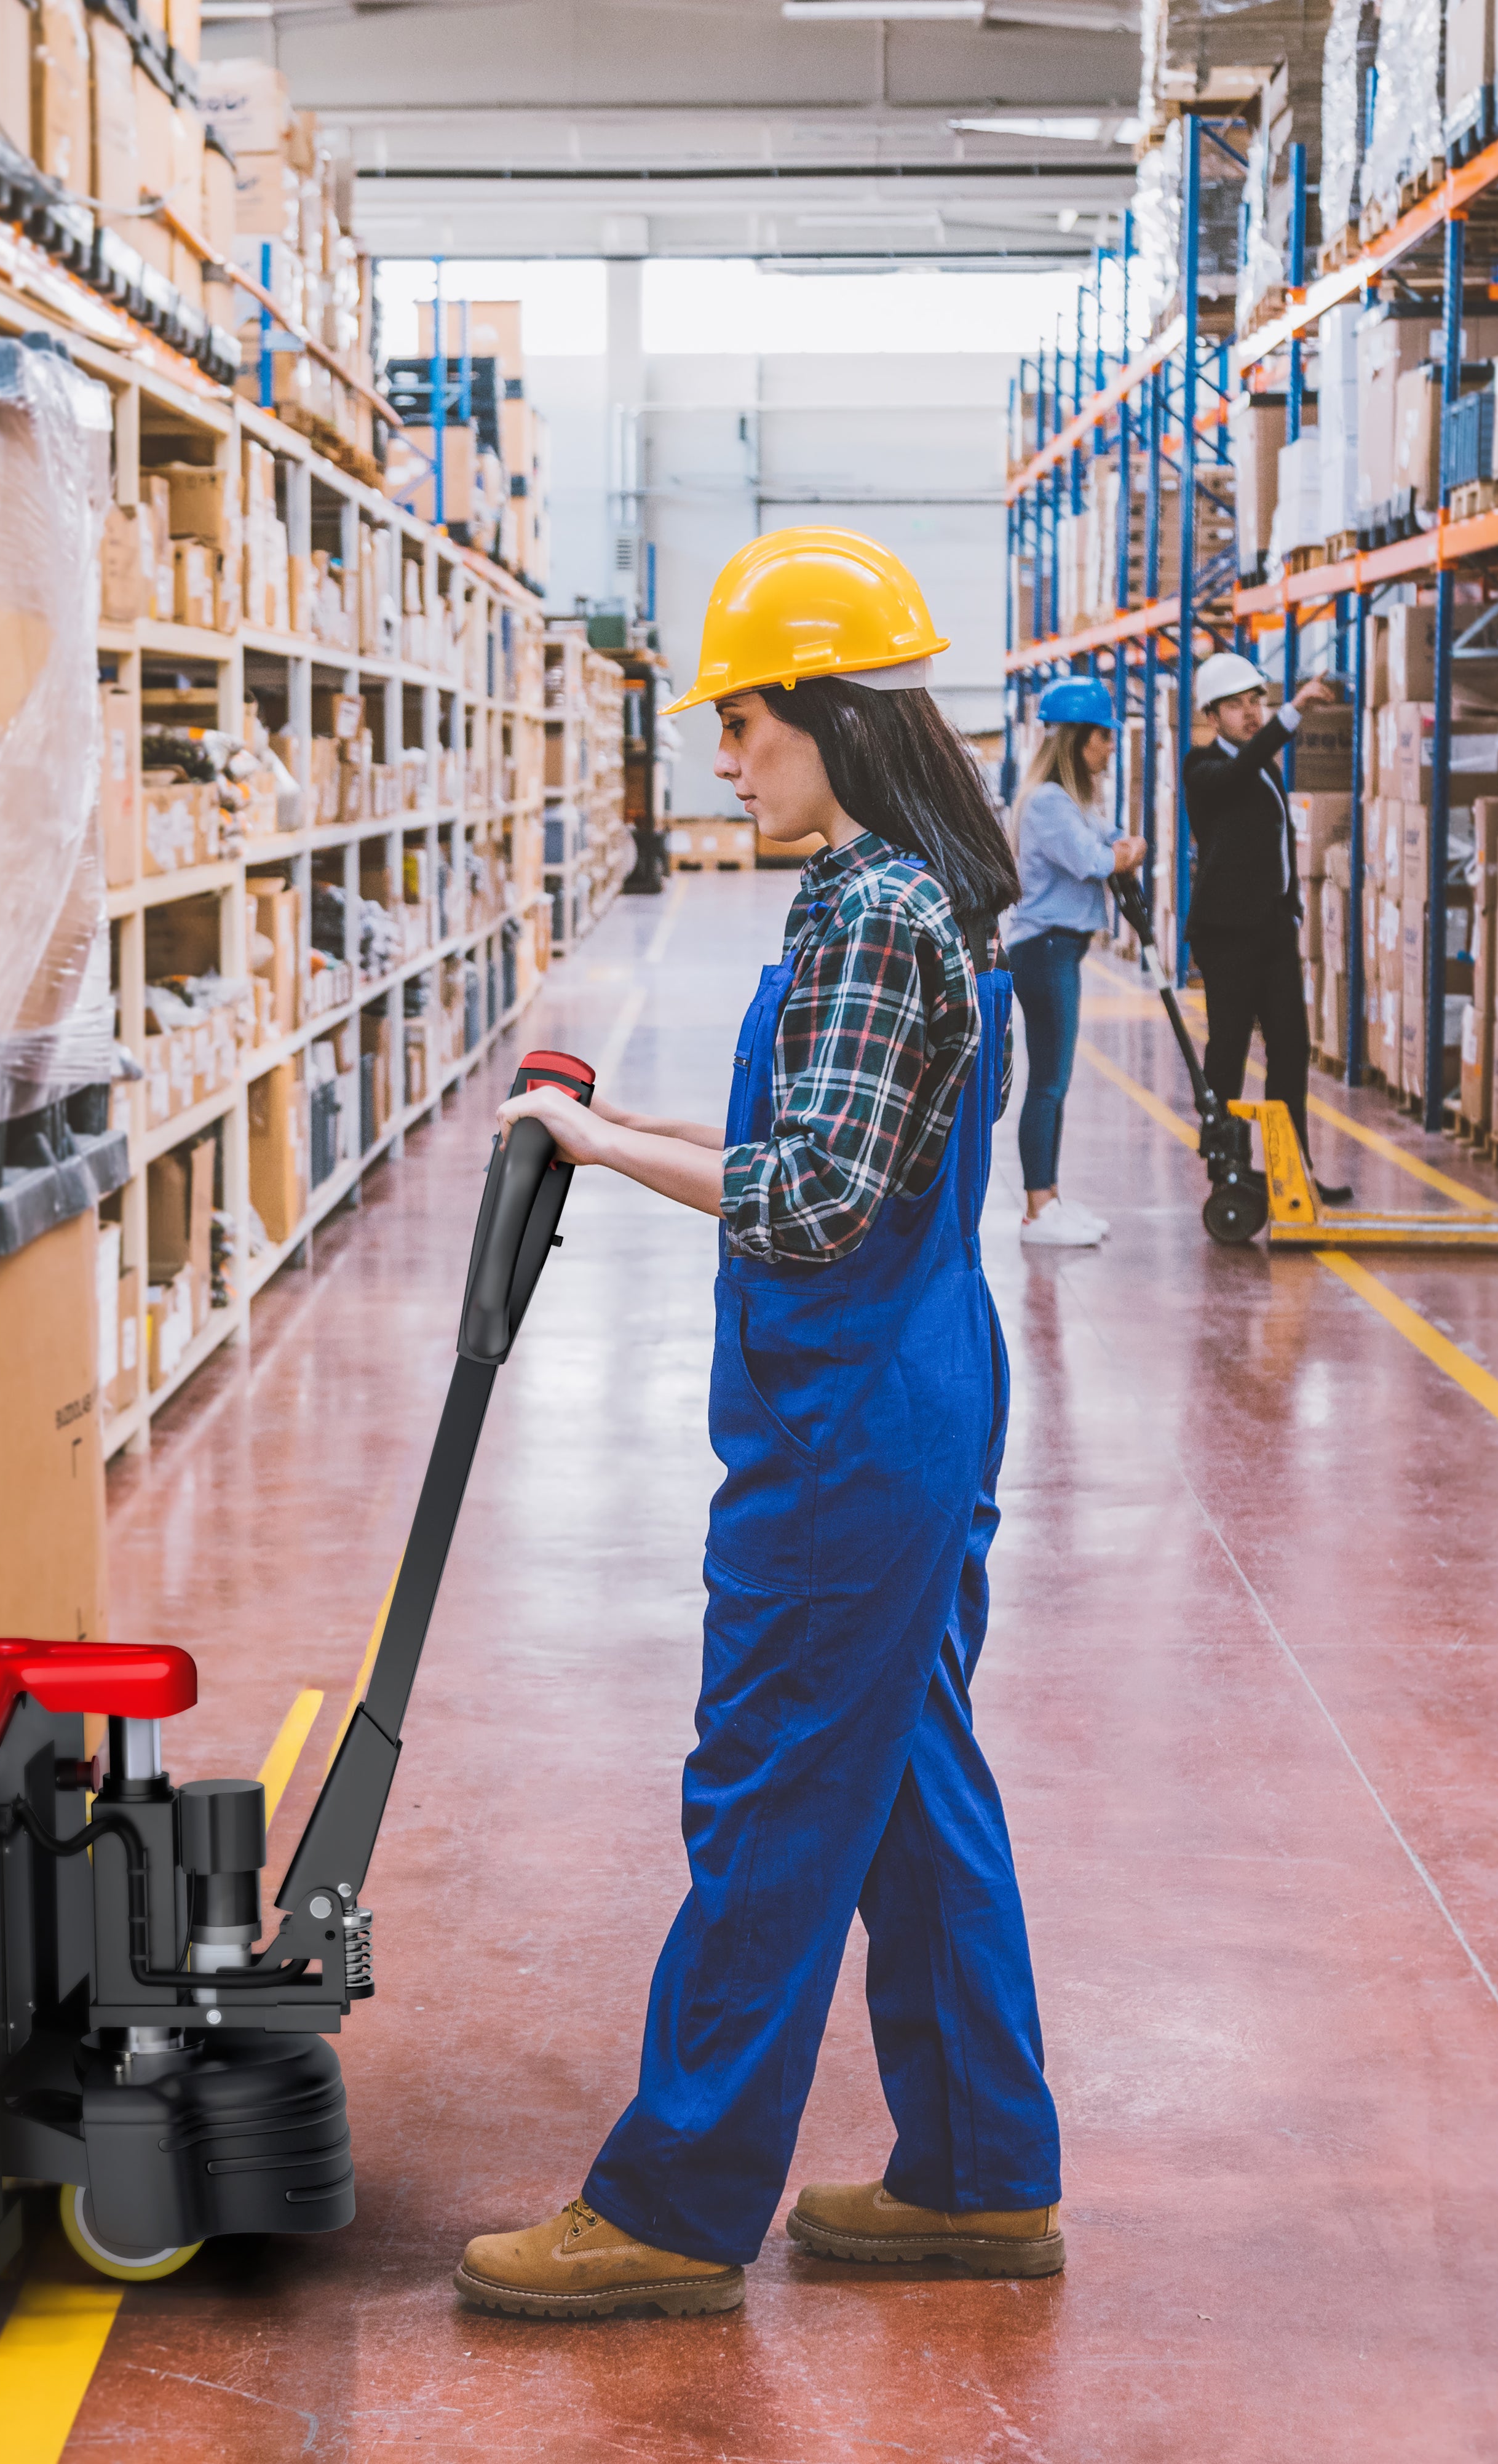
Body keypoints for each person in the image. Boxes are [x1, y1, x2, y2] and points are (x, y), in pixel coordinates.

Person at [454, 528, 1063, 2324]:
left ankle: (673, 2204)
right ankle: (975, 2177)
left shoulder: (876, 912)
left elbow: (810, 1200)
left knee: (775, 1794)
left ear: (836, 718)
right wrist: (622, 1120)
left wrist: (594, 1145)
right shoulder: (911, 892)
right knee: (908, 1794)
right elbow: (839, 1169)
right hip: (911, 1386)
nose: (725, 757)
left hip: (852, 1431)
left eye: (746, 723)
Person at [1185, 650, 1352, 1204]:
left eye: (1256, 700)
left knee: (1289, 1047)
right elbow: (1238, 770)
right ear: (1213, 716)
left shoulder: (1263, 767)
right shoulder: (1203, 768)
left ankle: (1293, 1172)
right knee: (1228, 1048)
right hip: (1225, 935)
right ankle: (1227, 1168)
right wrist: (1292, 713)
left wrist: (1288, 908)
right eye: (1236, 705)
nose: (1251, 712)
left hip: (1270, 930)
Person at [1009, 676, 1146, 1249]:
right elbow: (1097, 858)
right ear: (1077, 739)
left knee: (1055, 1080)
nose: (1111, 748)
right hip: (1042, 950)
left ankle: (1051, 1200)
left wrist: (1119, 851)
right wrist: (1116, 854)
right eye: (1103, 737)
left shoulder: (1073, 799)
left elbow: (1121, 843)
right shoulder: (1046, 802)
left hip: (1059, 948)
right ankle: (1039, 1210)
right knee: (1048, 1081)